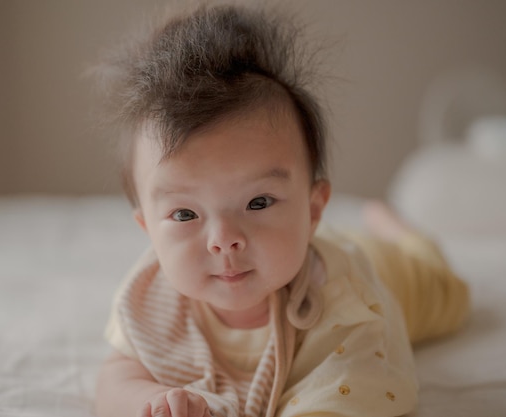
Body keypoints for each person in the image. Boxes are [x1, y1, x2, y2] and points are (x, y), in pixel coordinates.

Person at [94, 3, 470, 417]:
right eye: (185, 215)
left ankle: (401, 232)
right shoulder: (149, 299)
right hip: (318, 247)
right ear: (147, 227)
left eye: (258, 202)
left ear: (313, 210)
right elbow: (116, 377)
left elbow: (349, 394)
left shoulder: (349, 309)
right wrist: (148, 401)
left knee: (444, 286)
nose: (224, 240)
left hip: (386, 273)